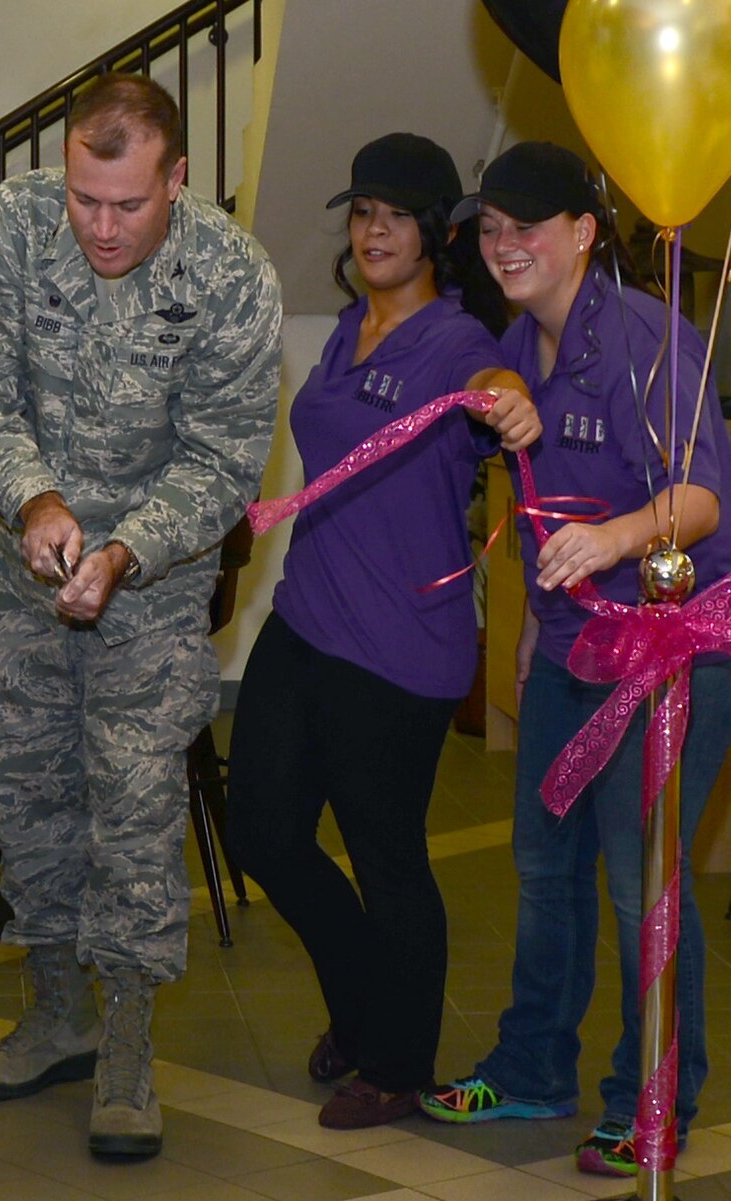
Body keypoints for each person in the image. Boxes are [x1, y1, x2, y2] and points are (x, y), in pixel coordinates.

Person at [0, 73, 282, 1158]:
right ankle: (52, 1012)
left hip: (153, 583)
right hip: (17, 567)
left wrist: (125, 551)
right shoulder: (11, 229)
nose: (103, 225)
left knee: (130, 802)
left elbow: (224, 456)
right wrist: (33, 500)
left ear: (176, 178)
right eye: (86, 198)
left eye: (128, 204)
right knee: (28, 786)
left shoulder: (228, 274)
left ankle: (127, 1040)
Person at [419, 142, 731, 1175]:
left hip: (682, 638)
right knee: (540, 865)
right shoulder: (521, 344)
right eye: (488, 229)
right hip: (575, 638)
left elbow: (697, 499)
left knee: (637, 877)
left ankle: (652, 1101)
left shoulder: (649, 340)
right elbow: (533, 501)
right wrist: (531, 625)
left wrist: (612, 540)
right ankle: (529, 1070)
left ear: (580, 233)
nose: (503, 244)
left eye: (526, 225)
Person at [227, 134, 541, 1130]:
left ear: (437, 236)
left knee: (384, 854)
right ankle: (363, 1009)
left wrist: (513, 402)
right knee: (263, 832)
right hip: (305, 619)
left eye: (394, 215)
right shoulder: (345, 332)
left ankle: (397, 1059)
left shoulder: (452, 343)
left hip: (399, 647)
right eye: (361, 210)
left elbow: (496, 388)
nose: (371, 228)